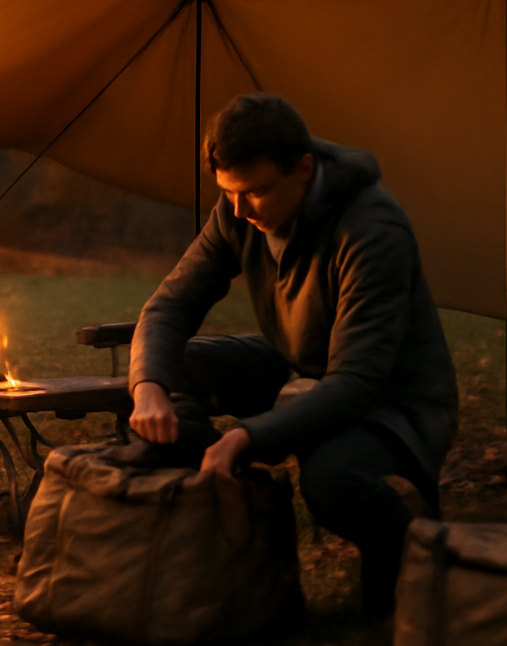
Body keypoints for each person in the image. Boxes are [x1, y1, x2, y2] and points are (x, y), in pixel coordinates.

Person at [127, 91, 456, 617]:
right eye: (228, 193)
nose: (239, 210)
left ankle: (420, 559)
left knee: (332, 482)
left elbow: (357, 382)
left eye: (256, 192)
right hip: (297, 366)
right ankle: (218, 489)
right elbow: (170, 306)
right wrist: (148, 389)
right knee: (172, 371)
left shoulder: (373, 228)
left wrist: (248, 436)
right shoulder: (238, 209)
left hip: (391, 402)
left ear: (304, 169)